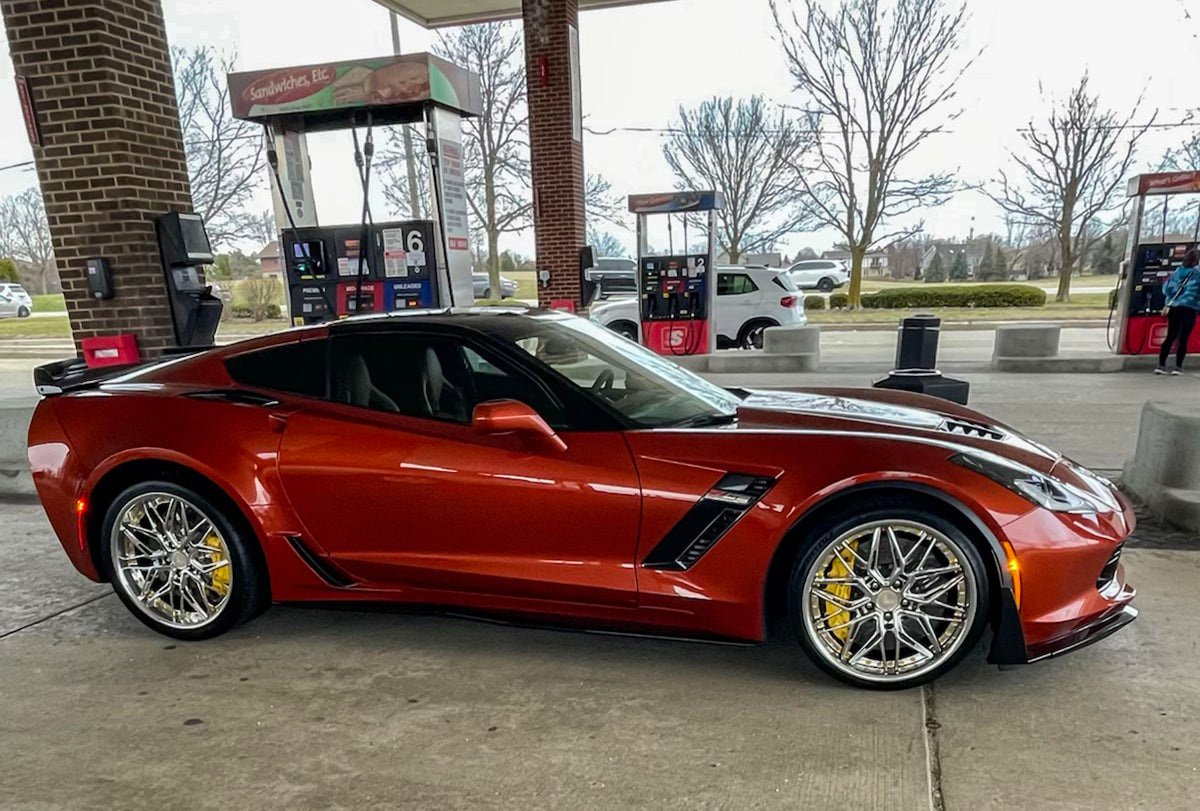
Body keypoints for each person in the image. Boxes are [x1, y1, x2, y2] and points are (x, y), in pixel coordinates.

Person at [1157, 248, 1200, 375]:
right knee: (1183, 338)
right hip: (1189, 308)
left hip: (1173, 308)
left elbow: (1166, 290)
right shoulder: (1197, 274)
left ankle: (1161, 365)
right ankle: (1178, 367)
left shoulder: (1176, 272)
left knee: (1170, 336)